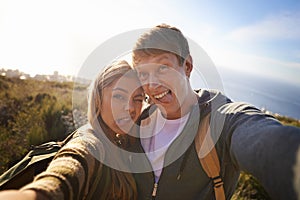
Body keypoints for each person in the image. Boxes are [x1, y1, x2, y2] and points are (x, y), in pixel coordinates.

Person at [130, 24, 300, 200]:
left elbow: (262, 137)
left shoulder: (221, 122)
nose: (152, 84)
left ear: (187, 66)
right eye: (143, 74)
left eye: (163, 68)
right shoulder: (138, 121)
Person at [0, 60, 145, 199]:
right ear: (98, 98)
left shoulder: (119, 141)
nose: (131, 108)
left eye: (138, 99)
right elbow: (62, 176)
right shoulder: (90, 143)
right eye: (119, 96)